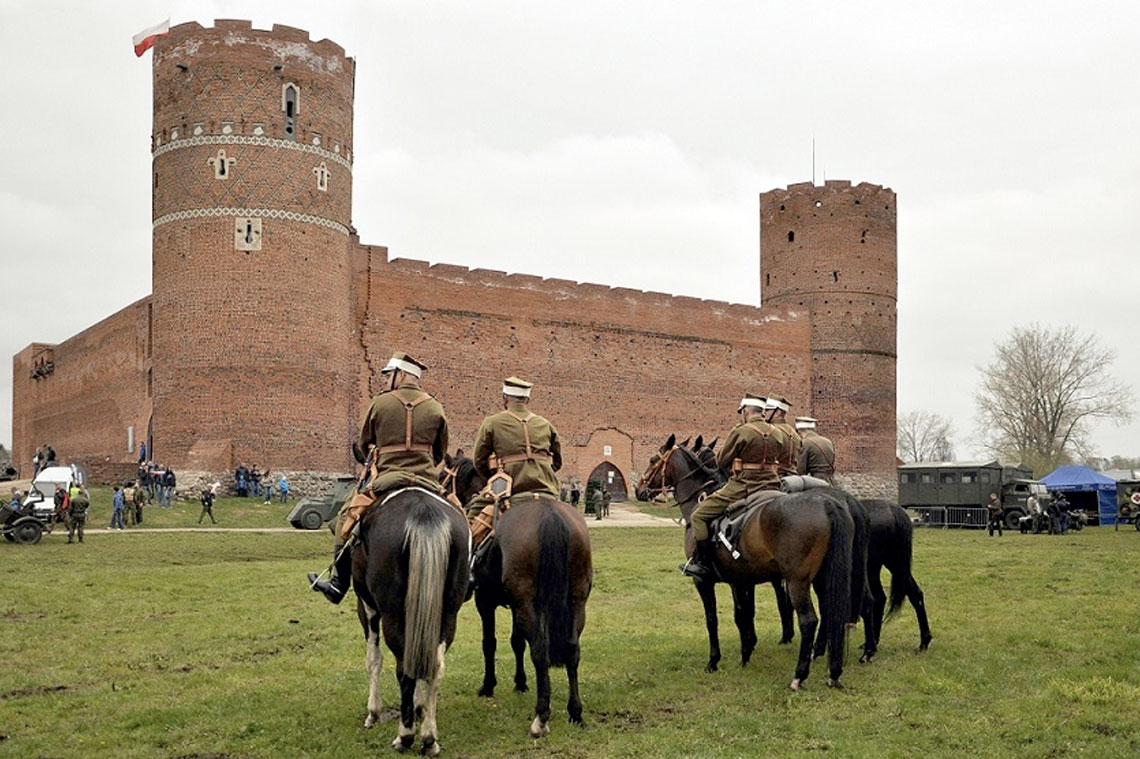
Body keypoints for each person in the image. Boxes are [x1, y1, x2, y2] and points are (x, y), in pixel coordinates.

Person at [308, 351, 448, 605]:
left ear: (401, 375)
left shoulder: (380, 403)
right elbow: (440, 452)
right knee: (459, 515)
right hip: (427, 481)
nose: (385, 381)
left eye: (388, 376)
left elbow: (364, 444)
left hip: (386, 479)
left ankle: (338, 584)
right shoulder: (435, 406)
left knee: (346, 517)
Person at [682, 394, 787, 579]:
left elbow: (721, 460)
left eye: (742, 412)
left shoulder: (742, 431)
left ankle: (703, 563)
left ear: (746, 411)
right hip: (772, 485)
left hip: (744, 486)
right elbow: (783, 456)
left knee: (698, 516)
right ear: (762, 412)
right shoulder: (778, 433)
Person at [469, 376, 563, 546]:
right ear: (527, 399)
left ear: (505, 398)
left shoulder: (492, 422)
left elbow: (479, 461)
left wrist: (494, 476)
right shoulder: (545, 424)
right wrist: (541, 471)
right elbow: (557, 461)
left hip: (509, 489)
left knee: (471, 518)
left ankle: (469, 560)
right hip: (547, 488)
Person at [763, 396, 801, 477]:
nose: (764, 412)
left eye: (767, 410)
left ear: (777, 413)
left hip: (774, 476)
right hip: (792, 475)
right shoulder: (794, 433)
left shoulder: (770, 431)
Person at [794, 416, 836, 484]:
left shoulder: (805, 443)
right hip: (830, 480)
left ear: (799, 431)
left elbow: (801, 469)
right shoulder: (828, 441)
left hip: (816, 481)